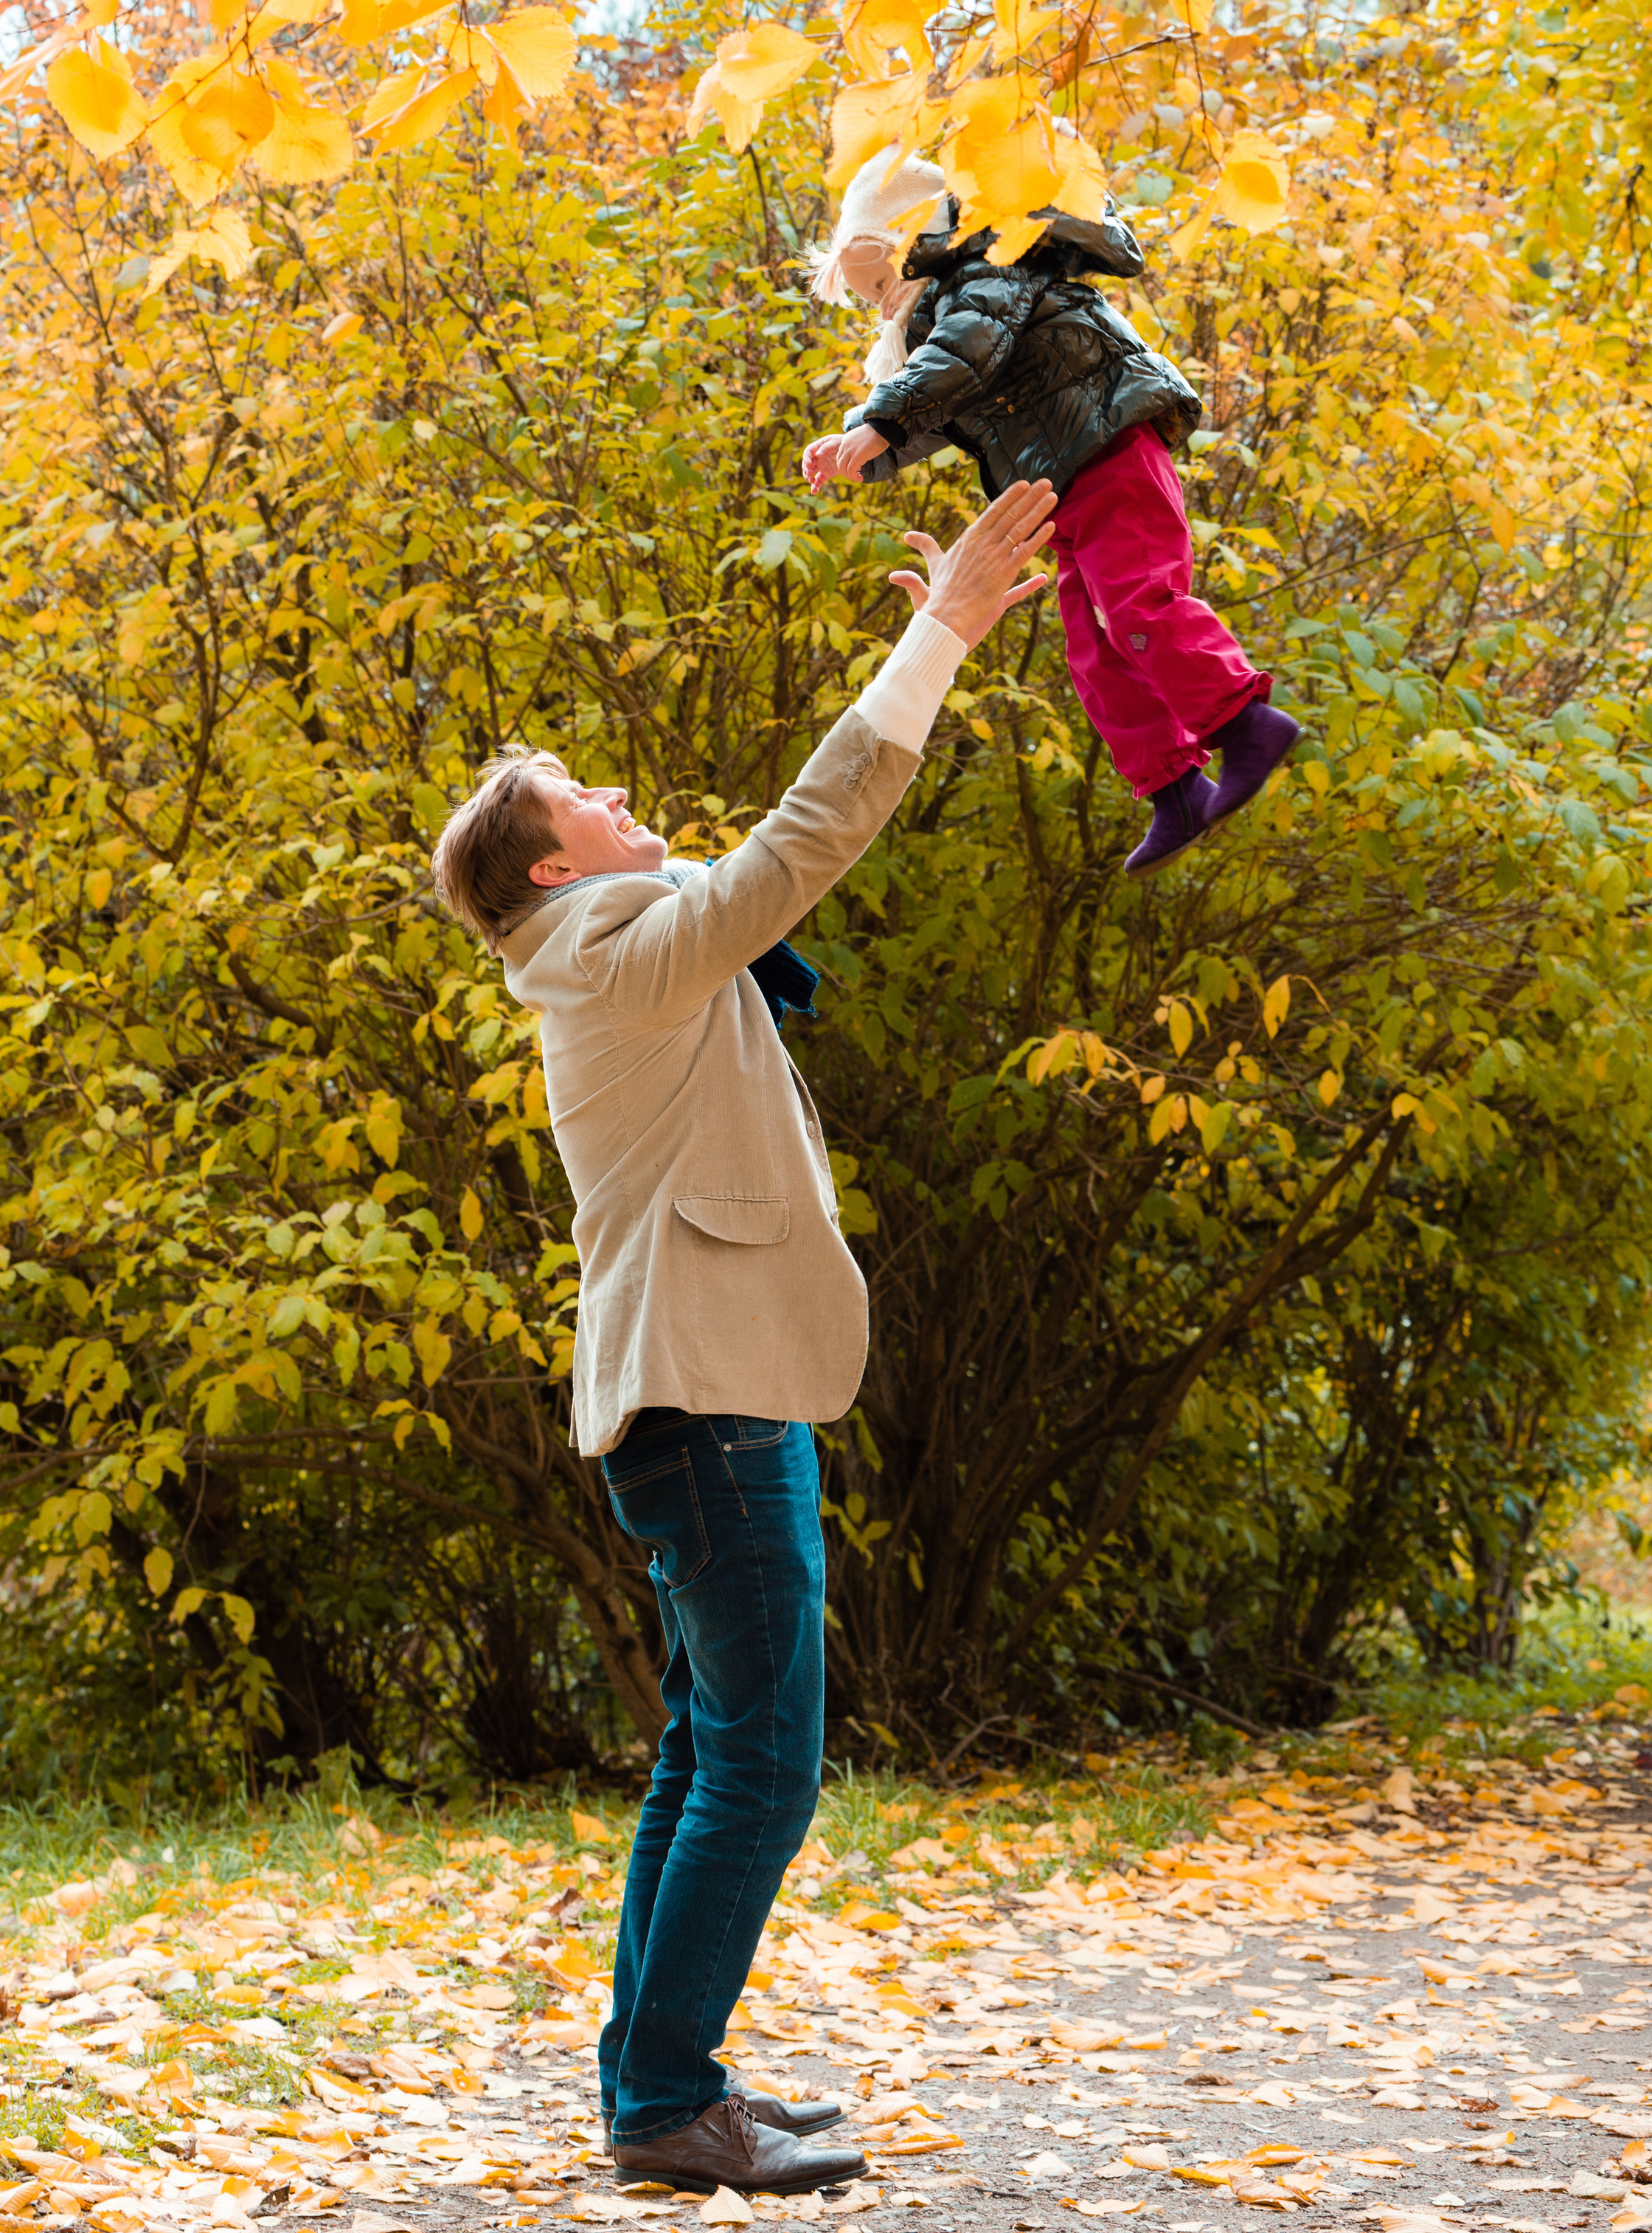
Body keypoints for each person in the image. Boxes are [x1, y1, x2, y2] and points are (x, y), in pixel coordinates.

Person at [429, 478, 1056, 2198]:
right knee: (762, 1754)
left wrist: (944, 633)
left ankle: (659, 2087)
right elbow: (798, 844)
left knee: (714, 1743)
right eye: (592, 799)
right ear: (552, 865)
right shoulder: (603, 949)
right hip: (699, 1401)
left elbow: (761, 863)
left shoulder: (613, 935)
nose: (626, 801)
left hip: (704, 1391)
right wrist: (936, 634)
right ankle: (660, 2103)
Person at [801, 145, 1301, 878]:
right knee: (1091, 647)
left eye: (878, 281)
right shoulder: (940, 314)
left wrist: (882, 415)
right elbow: (944, 403)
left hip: (1110, 447)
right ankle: (1174, 788)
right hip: (1064, 481)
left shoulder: (988, 265)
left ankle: (1245, 721)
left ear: (911, 241)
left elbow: (967, 351)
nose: (877, 302)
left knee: (1138, 607)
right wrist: (861, 443)